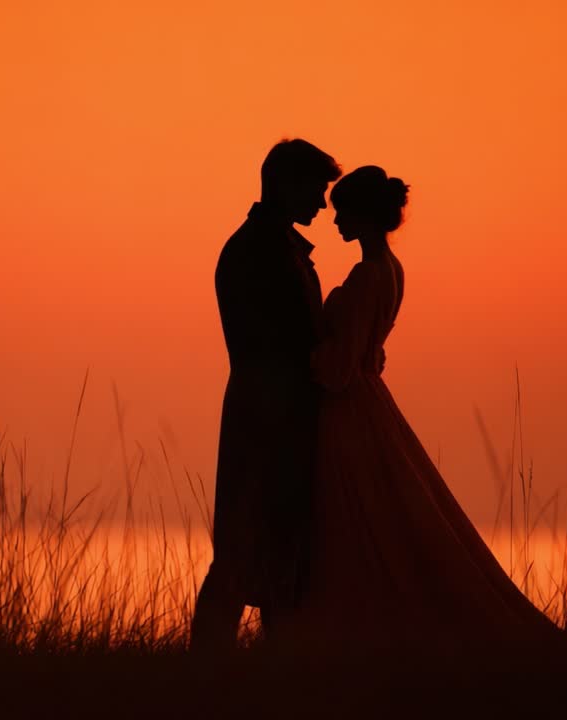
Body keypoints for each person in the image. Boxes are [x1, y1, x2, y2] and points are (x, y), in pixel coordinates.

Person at [301, 165, 567, 657]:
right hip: (372, 399)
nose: (335, 222)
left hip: (349, 410)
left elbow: (340, 367)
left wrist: (305, 355)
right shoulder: (391, 270)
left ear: (362, 216)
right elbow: (371, 351)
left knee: (355, 520)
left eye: (342, 214)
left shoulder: (364, 276)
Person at [189, 139, 341, 653]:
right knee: (243, 547)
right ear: (285, 185)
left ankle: (276, 664)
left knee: (279, 546)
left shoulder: (270, 245)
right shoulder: (259, 249)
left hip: (273, 411)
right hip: (265, 415)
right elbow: (284, 339)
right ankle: (209, 666)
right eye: (316, 190)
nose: (322, 204)